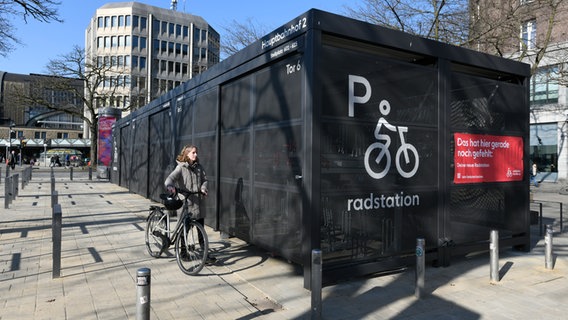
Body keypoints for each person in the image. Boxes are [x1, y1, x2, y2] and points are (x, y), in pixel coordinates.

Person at [164, 144, 215, 264]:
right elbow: (169, 179)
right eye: (193, 152)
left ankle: (205, 254)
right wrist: (171, 187)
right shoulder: (181, 167)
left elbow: (205, 180)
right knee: (184, 230)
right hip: (186, 203)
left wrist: (203, 188)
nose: (196, 155)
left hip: (198, 203)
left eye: (196, 152)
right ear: (187, 154)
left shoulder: (199, 167)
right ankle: (183, 253)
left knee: (201, 231)